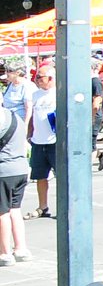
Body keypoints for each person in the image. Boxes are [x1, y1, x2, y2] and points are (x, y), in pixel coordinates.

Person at [0, 91, 29, 265]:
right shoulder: (13, 116)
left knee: (2, 213)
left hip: (5, 169)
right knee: (14, 210)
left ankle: (5, 253)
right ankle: (21, 248)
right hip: (20, 168)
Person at [27, 62, 56, 222]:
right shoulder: (36, 95)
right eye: (36, 77)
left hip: (54, 141)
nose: (37, 79)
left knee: (62, 176)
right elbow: (33, 115)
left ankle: (65, 206)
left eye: (40, 77)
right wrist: (30, 132)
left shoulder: (58, 93)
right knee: (40, 176)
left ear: (50, 78)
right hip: (38, 141)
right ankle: (43, 206)